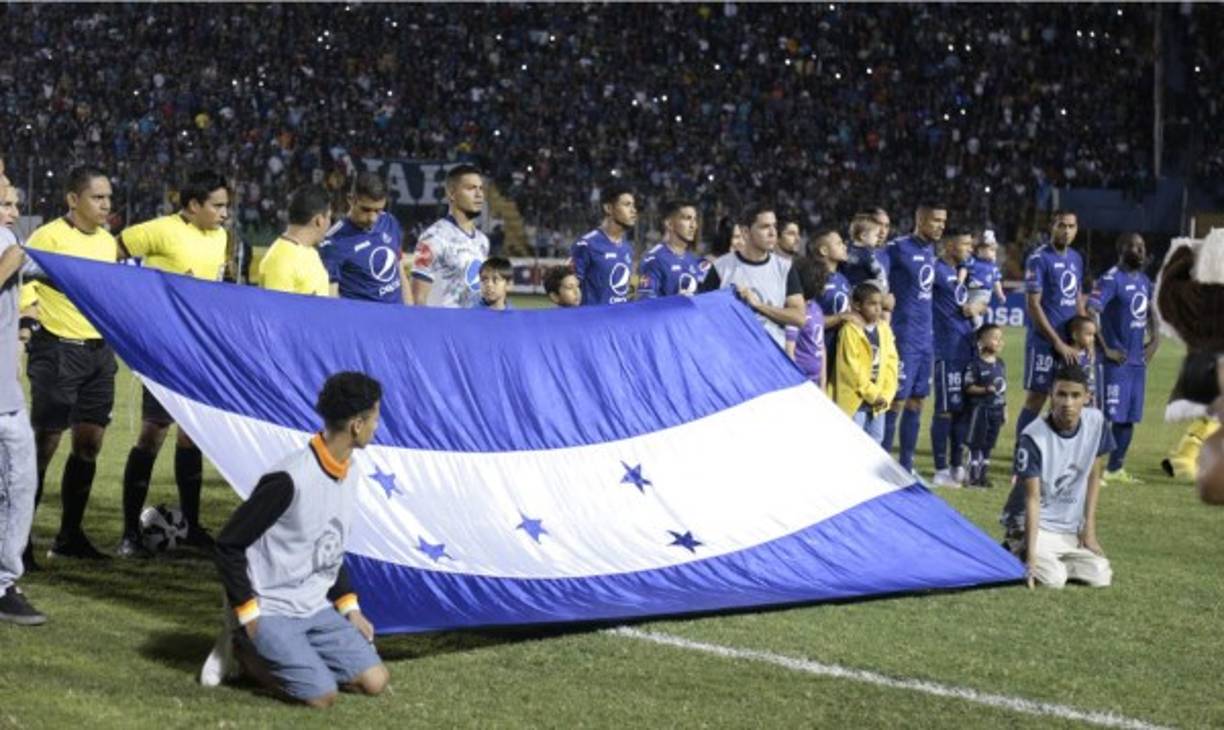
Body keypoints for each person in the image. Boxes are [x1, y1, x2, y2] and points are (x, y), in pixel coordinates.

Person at [205, 372, 390, 706]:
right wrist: (247, 613)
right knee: (321, 695)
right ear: (357, 425)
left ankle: (296, 656)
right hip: (271, 607)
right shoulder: (288, 479)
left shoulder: (350, 471)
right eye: (376, 418)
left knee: (375, 681)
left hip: (312, 606)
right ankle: (242, 652)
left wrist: (350, 607)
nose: (378, 426)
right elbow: (228, 544)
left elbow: (328, 545)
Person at [114, 170, 231, 557]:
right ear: (193, 205)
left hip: (199, 351)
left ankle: (194, 527)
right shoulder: (159, 230)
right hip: (164, 350)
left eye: (225, 206)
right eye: (217, 205)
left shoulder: (221, 236)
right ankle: (130, 533)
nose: (224, 213)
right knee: (152, 434)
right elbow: (114, 252)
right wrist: (137, 307)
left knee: (191, 433)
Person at [24, 166, 119, 561]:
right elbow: (25, 288)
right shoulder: (47, 237)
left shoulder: (108, 242)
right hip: (58, 350)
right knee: (43, 446)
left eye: (109, 198)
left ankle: (69, 537)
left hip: (99, 354)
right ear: (72, 200)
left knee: (89, 445)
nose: (106, 205)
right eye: (98, 198)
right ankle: (18, 541)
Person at [1000, 364, 1114, 590]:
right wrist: (1031, 556)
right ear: (1051, 395)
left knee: (1101, 575)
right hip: (1031, 527)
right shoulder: (1033, 437)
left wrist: (1088, 529)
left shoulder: (1097, 422)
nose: (1067, 403)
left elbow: (1094, 475)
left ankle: (1055, 561)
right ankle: (1017, 549)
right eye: (1061, 394)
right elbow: (1031, 499)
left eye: (1075, 395)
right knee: (1053, 580)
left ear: (1087, 397)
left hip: (1067, 530)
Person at [0, 177, 46, 624]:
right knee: (16, 488)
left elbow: (46, 267)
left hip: (6, 394)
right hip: (2, 400)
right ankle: (2, 584)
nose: (13, 210)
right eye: (5, 202)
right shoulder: (5, 242)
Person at [1088, 233, 1158, 484]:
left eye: (1142, 247)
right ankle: (1090, 469)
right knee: (1104, 417)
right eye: (1134, 246)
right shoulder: (1111, 279)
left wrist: (1155, 341)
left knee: (1129, 417)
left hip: (1137, 363)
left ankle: (1115, 468)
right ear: (1121, 249)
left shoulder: (1144, 281)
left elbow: (1151, 312)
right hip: (1114, 363)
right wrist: (1105, 348)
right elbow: (1092, 310)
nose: (1139, 251)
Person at [882, 202, 946, 475]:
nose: (941, 226)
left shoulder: (931, 250)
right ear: (920, 219)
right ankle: (881, 462)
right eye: (935, 220)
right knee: (895, 400)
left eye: (943, 221)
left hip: (925, 338)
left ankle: (906, 467)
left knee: (917, 400)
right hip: (903, 336)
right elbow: (877, 273)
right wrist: (882, 295)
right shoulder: (897, 248)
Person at [1015, 210, 1086, 446]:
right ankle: (1022, 451)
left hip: (1070, 344)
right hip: (1045, 343)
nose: (1066, 231)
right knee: (1037, 397)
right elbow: (1033, 305)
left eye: (1071, 226)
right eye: (1061, 225)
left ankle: (1054, 450)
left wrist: (1086, 336)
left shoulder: (1076, 258)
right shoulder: (1039, 259)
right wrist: (1057, 342)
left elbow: (1076, 298)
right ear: (1051, 227)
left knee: (1065, 400)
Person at [699, 203, 805, 347]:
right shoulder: (721, 268)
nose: (773, 232)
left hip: (772, 357)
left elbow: (799, 317)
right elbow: (703, 314)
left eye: (774, 226)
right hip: (735, 357)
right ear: (746, 232)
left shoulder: (785, 268)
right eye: (765, 227)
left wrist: (759, 306)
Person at [931, 229, 986, 488]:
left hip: (968, 350)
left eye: (970, 242)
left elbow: (983, 298)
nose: (969, 248)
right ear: (949, 245)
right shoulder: (935, 270)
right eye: (965, 243)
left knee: (963, 410)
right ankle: (940, 469)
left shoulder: (965, 272)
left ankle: (956, 466)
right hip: (946, 350)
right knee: (945, 410)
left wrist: (977, 306)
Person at [318, 173, 407, 304]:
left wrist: (410, 313)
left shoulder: (390, 222)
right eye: (366, 209)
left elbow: (400, 272)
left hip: (398, 318)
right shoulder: (333, 242)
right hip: (363, 322)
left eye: (378, 210)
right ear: (351, 199)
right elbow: (331, 298)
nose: (373, 218)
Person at [411, 164, 489, 307]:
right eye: (471, 188)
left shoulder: (482, 241)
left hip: (473, 326)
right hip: (444, 327)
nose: (479, 194)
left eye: (480, 188)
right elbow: (418, 299)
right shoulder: (433, 238)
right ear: (452, 194)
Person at [831, 283, 898, 445]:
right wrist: (872, 394)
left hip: (878, 403)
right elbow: (852, 370)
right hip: (856, 401)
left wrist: (887, 393)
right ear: (857, 305)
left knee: (876, 443)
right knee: (854, 445)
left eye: (880, 305)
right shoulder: (849, 331)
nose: (877, 309)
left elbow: (891, 361)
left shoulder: (884, 329)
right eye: (872, 304)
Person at [258, 186, 333, 296]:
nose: (330, 223)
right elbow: (276, 310)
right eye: (329, 217)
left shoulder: (311, 252)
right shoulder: (281, 260)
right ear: (319, 220)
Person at [570, 182, 637, 306]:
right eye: (627, 205)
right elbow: (569, 289)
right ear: (608, 208)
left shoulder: (628, 248)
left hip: (620, 322)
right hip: (593, 323)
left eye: (633, 205)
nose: (634, 210)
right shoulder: (586, 245)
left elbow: (628, 287)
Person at [963, 324, 1008, 488]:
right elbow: (968, 387)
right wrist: (984, 390)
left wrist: (1005, 408)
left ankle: (983, 475)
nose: (999, 342)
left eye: (1000, 339)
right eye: (995, 338)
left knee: (989, 444)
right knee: (976, 443)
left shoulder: (1001, 364)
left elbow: (1003, 389)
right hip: (980, 410)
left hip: (997, 410)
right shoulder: (975, 364)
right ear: (982, 340)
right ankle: (972, 476)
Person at [811, 230, 854, 383]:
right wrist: (840, 318)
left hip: (842, 353)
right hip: (820, 354)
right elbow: (807, 321)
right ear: (824, 250)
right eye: (838, 243)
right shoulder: (813, 280)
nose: (844, 246)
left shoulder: (842, 279)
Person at [637, 200, 703, 299]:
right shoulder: (652, 259)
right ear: (669, 224)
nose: (693, 226)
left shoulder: (693, 259)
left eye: (695, 219)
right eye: (687, 219)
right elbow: (643, 303)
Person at [788, 256, 826, 388]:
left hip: (815, 382)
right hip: (800, 383)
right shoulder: (794, 312)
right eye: (820, 280)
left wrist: (823, 384)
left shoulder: (816, 308)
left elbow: (821, 347)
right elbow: (789, 352)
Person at [965, 232, 1006, 328]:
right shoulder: (972, 261)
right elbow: (964, 269)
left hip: (983, 293)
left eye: (994, 251)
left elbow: (996, 282)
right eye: (991, 250)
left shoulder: (993, 267)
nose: (994, 253)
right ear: (980, 250)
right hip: (969, 292)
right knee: (968, 314)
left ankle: (976, 325)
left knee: (976, 316)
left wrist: (1000, 295)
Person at [1067, 316, 1101, 407]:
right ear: (1075, 335)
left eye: (1093, 335)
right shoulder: (1071, 357)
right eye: (1088, 335)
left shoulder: (1090, 354)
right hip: (1077, 401)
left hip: (1091, 398)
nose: (1092, 339)